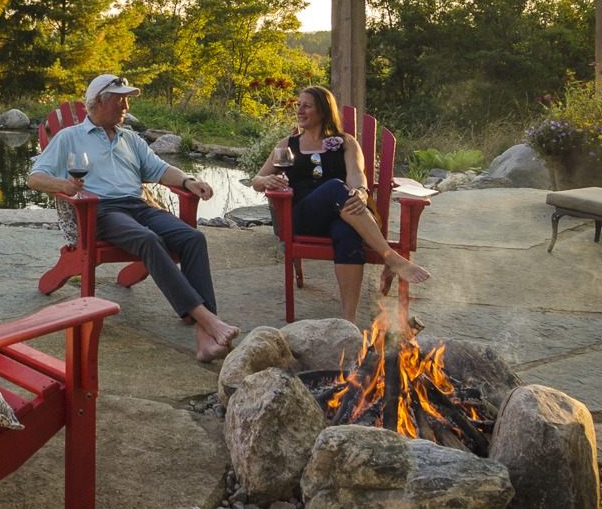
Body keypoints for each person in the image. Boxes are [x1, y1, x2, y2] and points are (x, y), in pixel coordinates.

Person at [28, 74, 242, 361]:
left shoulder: (131, 138)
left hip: (138, 207)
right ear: (100, 102)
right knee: (148, 240)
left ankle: (204, 338)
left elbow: (161, 169)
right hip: (101, 210)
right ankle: (209, 321)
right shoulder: (70, 137)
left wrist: (189, 181)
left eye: (126, 98)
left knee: (193, 238)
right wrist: (63, 186)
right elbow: (35, 178)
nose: (126, 105)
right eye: (120, 99)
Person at [252, 85, 429, 322]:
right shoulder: (288, 144)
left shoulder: (346, 142)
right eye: (298, 106)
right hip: (304, 217)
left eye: (307, 106)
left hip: (342, 215)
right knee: (335, 186)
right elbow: (256, 180)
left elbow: (357, 174)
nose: (300, 111)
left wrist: (361, 192)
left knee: (348, 235)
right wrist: (267, 180)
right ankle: (390, 257)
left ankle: (349, 321)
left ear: (323, 111)